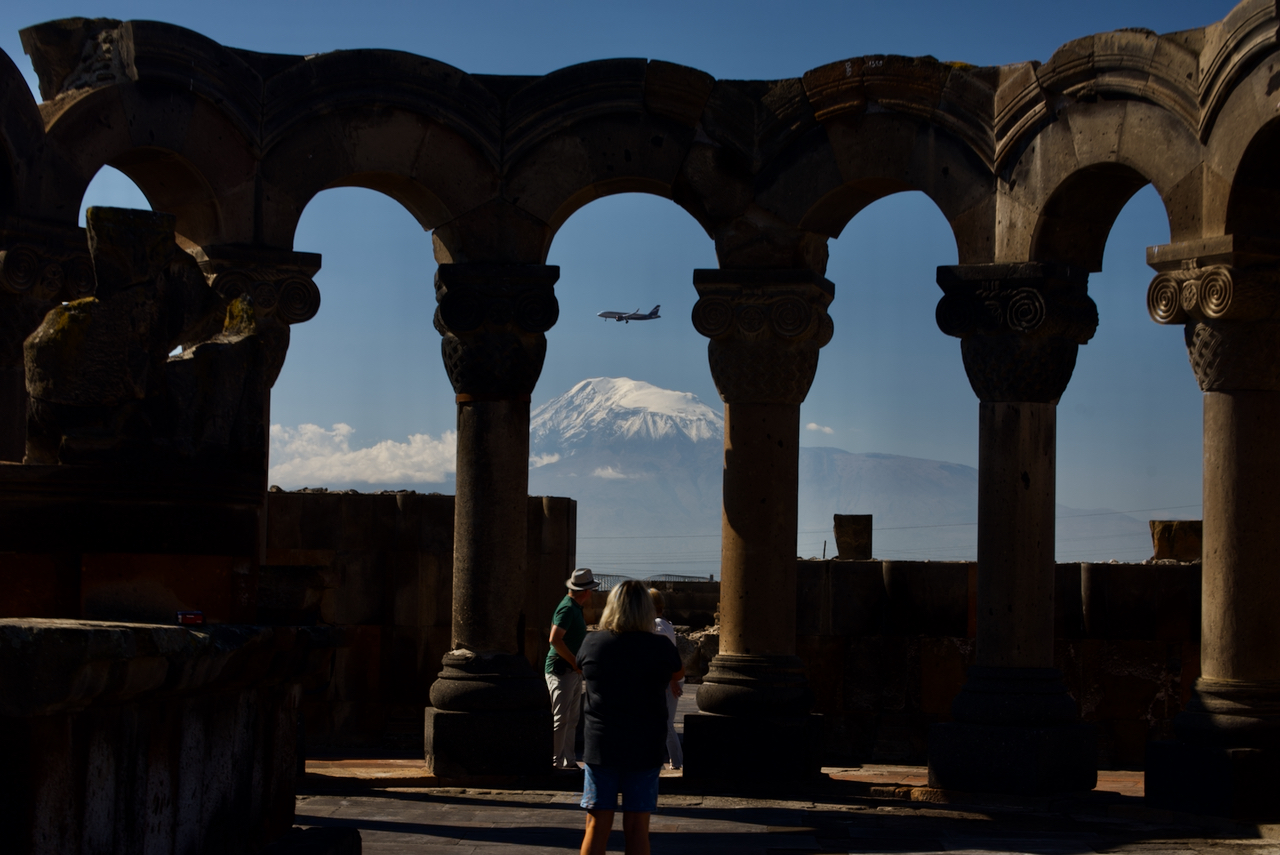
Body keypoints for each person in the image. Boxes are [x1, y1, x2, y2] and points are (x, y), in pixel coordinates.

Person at [577, 579, 684, 855]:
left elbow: (581, 667)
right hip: (645, 744)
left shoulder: (593, 642)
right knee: (637, 828)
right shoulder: (661, 647)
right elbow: (678, 673)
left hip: (602, 744)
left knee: (596, 825)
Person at [546, 567, 599, 770]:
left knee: (571, 718)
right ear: (585, 591)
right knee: (561, 718)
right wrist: (574, 662)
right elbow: (555, 640)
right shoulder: (567, 608)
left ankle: (567, 759)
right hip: (561, 669)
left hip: (571, 670)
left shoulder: (573, 607)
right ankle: (555, 760)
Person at [649, 588, 684, 771]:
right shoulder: (664, 623)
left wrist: (671, 680)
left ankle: (677, 760)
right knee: (665, 721)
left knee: (666, 722)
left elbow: (665, 655)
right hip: (670, 677)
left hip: (669, 678)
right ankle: (674, 760)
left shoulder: (658, 625)